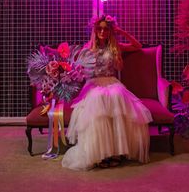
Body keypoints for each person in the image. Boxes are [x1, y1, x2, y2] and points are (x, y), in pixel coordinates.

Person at [61, 15, 153, 170]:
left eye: (106, 29)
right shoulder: (87, 49)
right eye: (100, 29)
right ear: (95, 31)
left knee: (116, 95)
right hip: (93, 84)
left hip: (111, 82)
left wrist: (121, 31)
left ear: (110, 31)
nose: (103, 31)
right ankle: (101, 153)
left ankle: (116, 152)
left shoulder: (115, 47)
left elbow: (137, 45)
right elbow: (77, 69)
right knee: (97, 100)